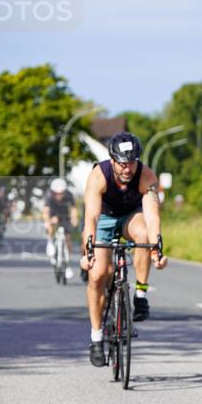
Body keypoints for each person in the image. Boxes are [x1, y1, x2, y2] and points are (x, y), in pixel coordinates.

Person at [79, 132, 168, 367]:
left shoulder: (146, 175)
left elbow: (152, 218)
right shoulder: (99, 175)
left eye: (132, 162)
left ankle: (140, 295)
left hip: (131, 216)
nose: (127, 168)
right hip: (104, 218)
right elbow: (91, 218)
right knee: (98, 274)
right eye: (122, 163)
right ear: (112, 160)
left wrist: (157, 250)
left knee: (143, 235)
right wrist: (87, 254)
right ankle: (96, 338)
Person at [44, 178, 79, 280]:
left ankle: (67, 263)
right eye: (56, 193)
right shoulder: (49, 195)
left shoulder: (69, 195)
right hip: (53, 215)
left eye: (61, 193)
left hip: (64, 216)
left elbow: (73, 209)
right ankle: (50, 242)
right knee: (50, 227)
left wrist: (75, 219)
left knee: (68, 239)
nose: (59, 195)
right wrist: (48, 221)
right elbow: (46, 211)